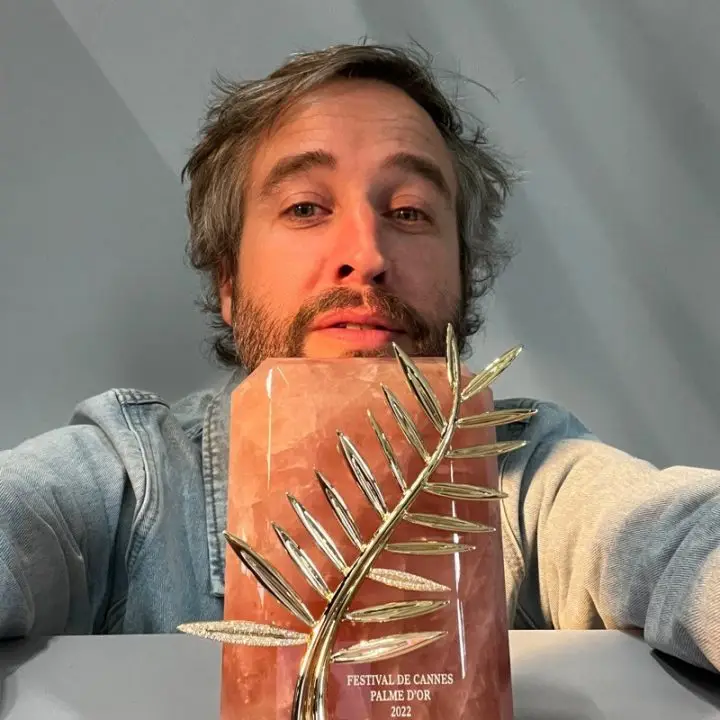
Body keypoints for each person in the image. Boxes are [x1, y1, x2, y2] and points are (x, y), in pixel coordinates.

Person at [1, 42, 718, 674]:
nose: (367, 256)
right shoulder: (130, 480)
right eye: (306, 208)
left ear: (462, 274)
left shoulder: (528, 471)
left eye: (408, 211)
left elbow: (674, 536)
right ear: (228, 283)